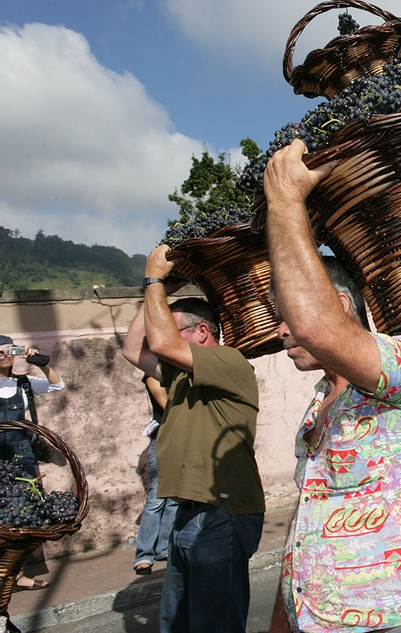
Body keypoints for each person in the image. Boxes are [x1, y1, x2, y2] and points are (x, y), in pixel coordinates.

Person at [263, 139, 401, 633]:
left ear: (341, 306)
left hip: (393, 619)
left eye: (285, 315)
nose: (281, 329)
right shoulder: (318, 403)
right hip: (317, 619)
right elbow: (307, 523)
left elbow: (314, 326)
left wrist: (285, 201)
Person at [122, 257, 266, 633]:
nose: (160, 339)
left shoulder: (229, 361)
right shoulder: (182, 377)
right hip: (188, 510)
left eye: (171, 330)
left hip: (222, 510)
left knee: (213, 624)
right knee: (177, 622)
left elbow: (162, 344)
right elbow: (132, 348)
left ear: (202, 331)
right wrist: (161, 291)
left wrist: (153, 278)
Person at [0, 336, 64, 591]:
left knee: (24, 517)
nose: (3, 354)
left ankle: (17, 574)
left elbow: (57, 387)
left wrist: (42, 364)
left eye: (8, 350)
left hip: (20, 457)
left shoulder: (23, 383)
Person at [132, 375, 178, 576]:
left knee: (175, 497)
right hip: (162, 440)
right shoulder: (153, 376)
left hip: (180, 439)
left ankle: (164, 549)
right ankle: (144, 555)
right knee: (157, 498)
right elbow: (168, 406)